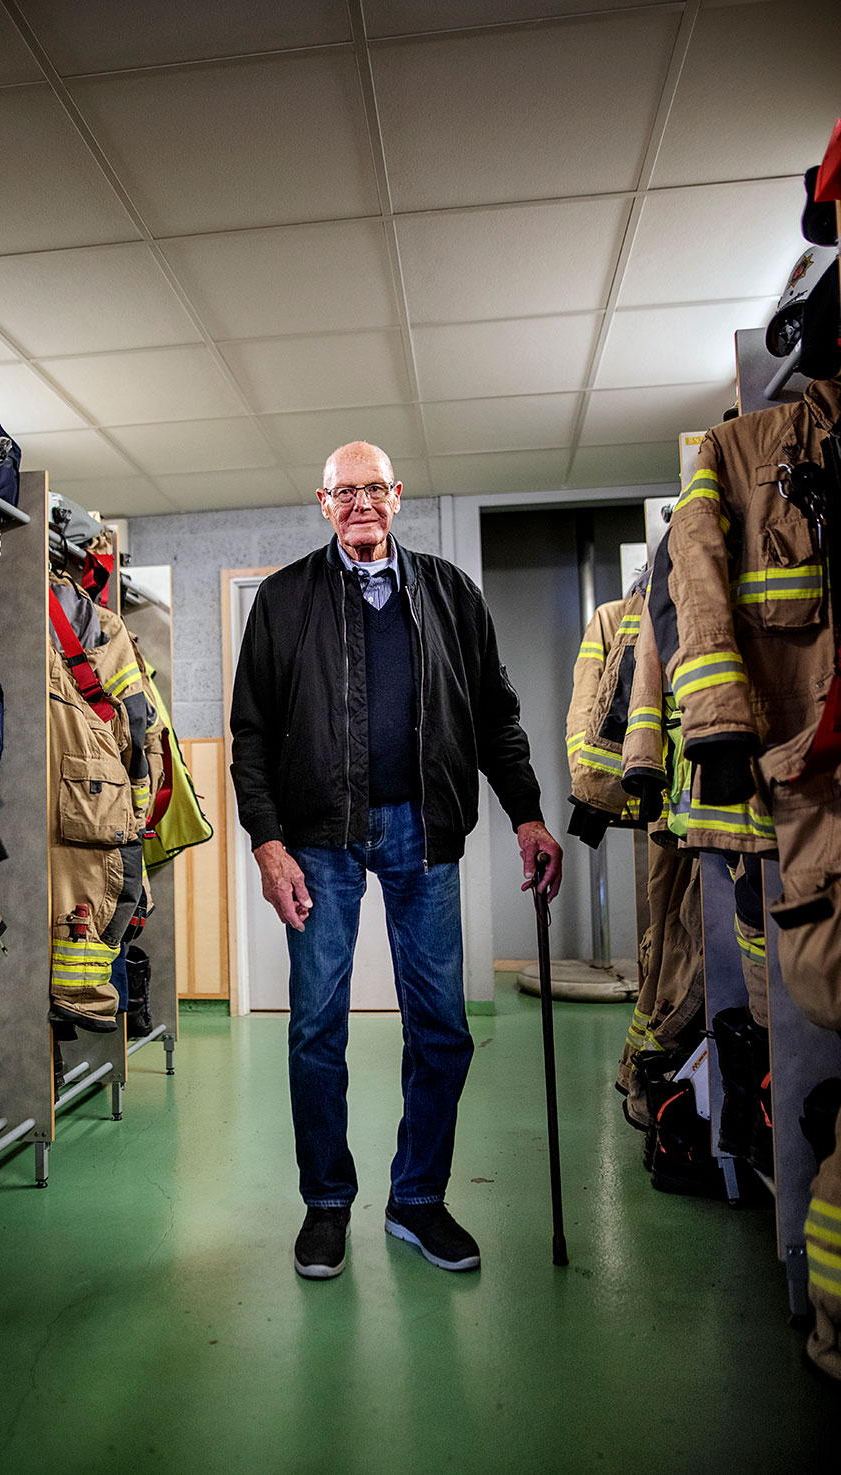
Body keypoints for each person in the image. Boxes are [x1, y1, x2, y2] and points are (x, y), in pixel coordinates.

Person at [230, 441, 563, 1280]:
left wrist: (527, 814)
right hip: (316, 839)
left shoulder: (450, 593)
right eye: (344, 491)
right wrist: (268, 845)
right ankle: (327, 1203)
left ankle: (418, 1199)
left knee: (441, 1027)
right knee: (315, 1027)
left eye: (373, 487)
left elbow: (496, 715)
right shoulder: (283, 598)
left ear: (398, 495)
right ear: (323, 502)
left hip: (425, 831)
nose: (360, 503)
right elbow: (251, 734)